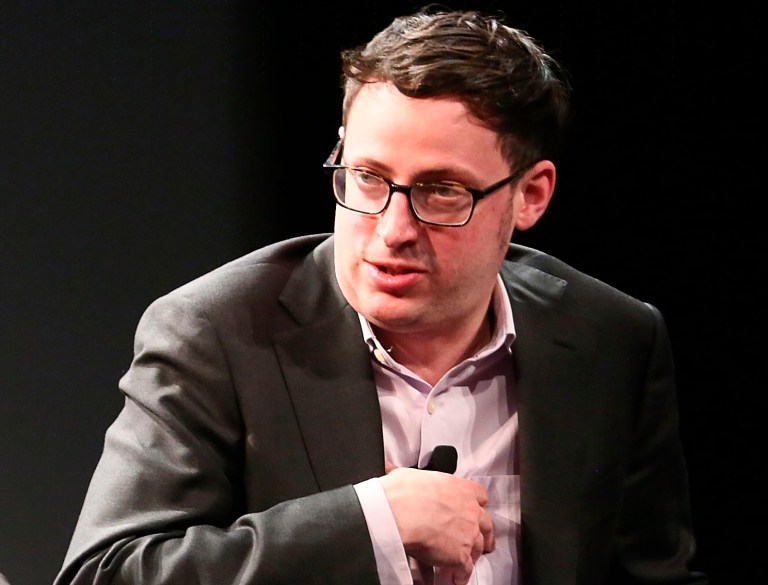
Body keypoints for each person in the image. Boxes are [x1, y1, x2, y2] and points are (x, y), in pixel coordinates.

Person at [54, 6, 707, 585]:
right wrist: (371, 520)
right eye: (367, 177)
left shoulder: (610, 339)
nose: (393, 230)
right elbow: (107, 571)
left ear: (530, 194)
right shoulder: (216, 332)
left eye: (442, 190)